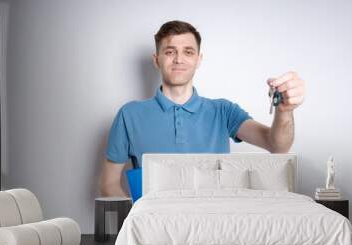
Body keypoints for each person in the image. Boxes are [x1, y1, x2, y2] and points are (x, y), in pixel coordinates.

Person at [100, 20, 305, 197]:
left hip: (215, 229)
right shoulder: (129, 115)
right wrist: (140, 221)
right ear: (156, 59)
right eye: (170, 51)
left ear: (199, 59)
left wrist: (285, 111)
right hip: (153, 233)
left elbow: (278, 146)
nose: (179, 59)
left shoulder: (223, 111)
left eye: (188, 52)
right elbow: (109, 185)